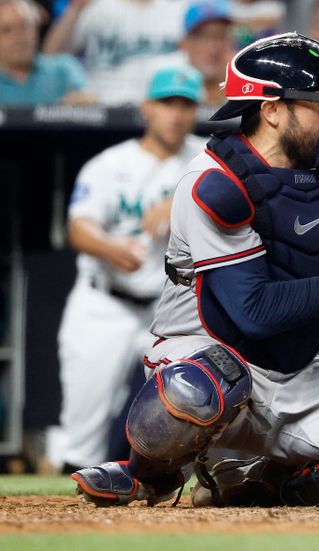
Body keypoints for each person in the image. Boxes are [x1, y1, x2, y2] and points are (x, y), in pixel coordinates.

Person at [71, 33, 319, 508]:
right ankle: (148, 471)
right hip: (210, 357)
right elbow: (253, 312)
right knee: (200, 389)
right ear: (273, 109)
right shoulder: (215, 183)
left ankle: (265, 475)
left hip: (296, 374)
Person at [53, 66, 206, 473]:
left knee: (191, 413)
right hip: (105, 302)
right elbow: (78, 227)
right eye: (166, 103)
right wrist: (109, 246)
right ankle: (63, 519)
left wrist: (180, 200)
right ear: (147, 108)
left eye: (185, 105)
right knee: (82, 428)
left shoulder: (206, 158)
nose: (175, 114)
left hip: (168, 313)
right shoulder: (110, 164)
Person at [42, 0, 188, 105]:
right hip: (99, 110)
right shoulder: (95, 7)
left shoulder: (177, 11)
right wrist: (75, 9)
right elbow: (50, 57)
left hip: (162, 109)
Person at [0, 0, 92, 105]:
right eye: (7, 30)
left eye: (25, 27)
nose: (19, 38)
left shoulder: (63, 69)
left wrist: (81, 102)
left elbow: (87, 100)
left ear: (36, 30)